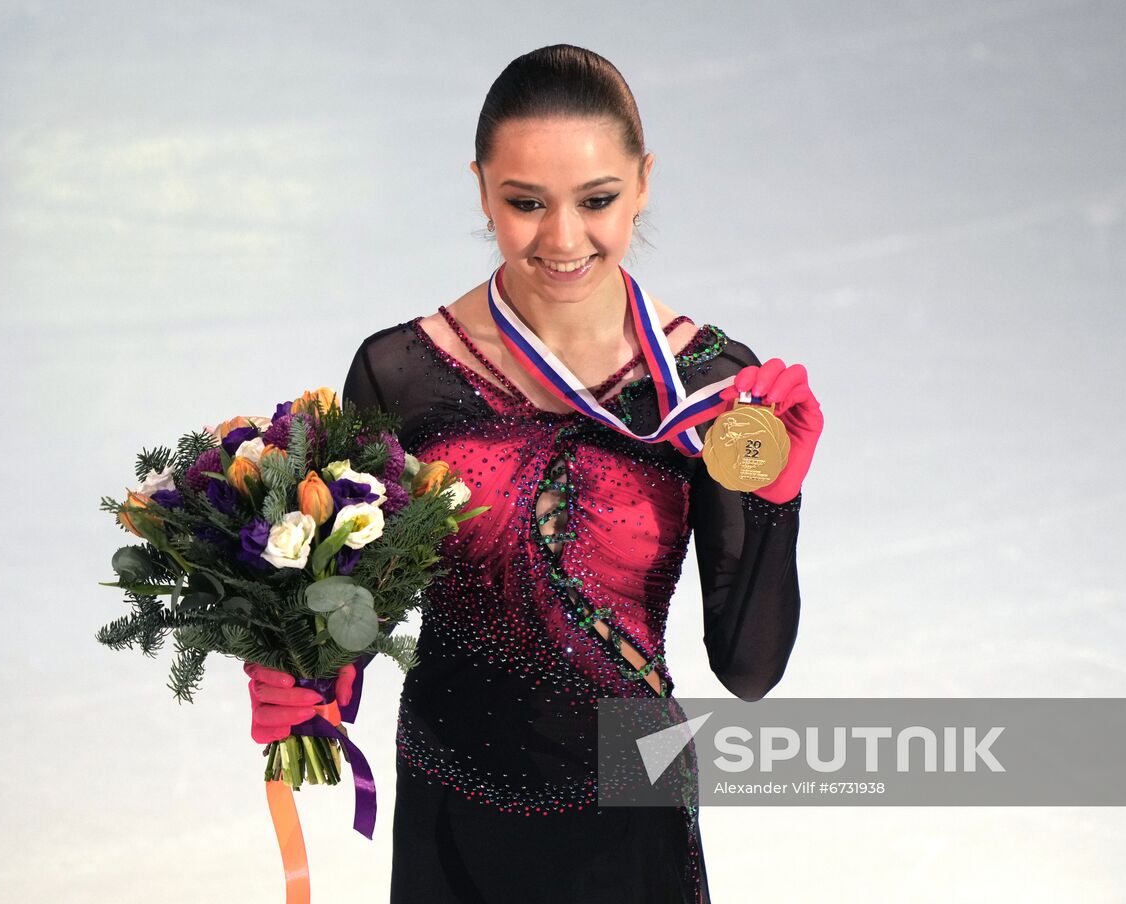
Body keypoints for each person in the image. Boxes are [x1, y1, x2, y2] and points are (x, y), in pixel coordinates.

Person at [246, 44, 823, 903]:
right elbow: (356, 615)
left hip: (631, 813)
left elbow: (747, 670)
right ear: (481, 187)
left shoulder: (706, 384)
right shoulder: (401, 373)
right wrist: (300, 673)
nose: (563, 238)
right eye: (525, 202)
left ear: (644, 182)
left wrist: (775, 501)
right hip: (452, 809)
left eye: (597, 200)